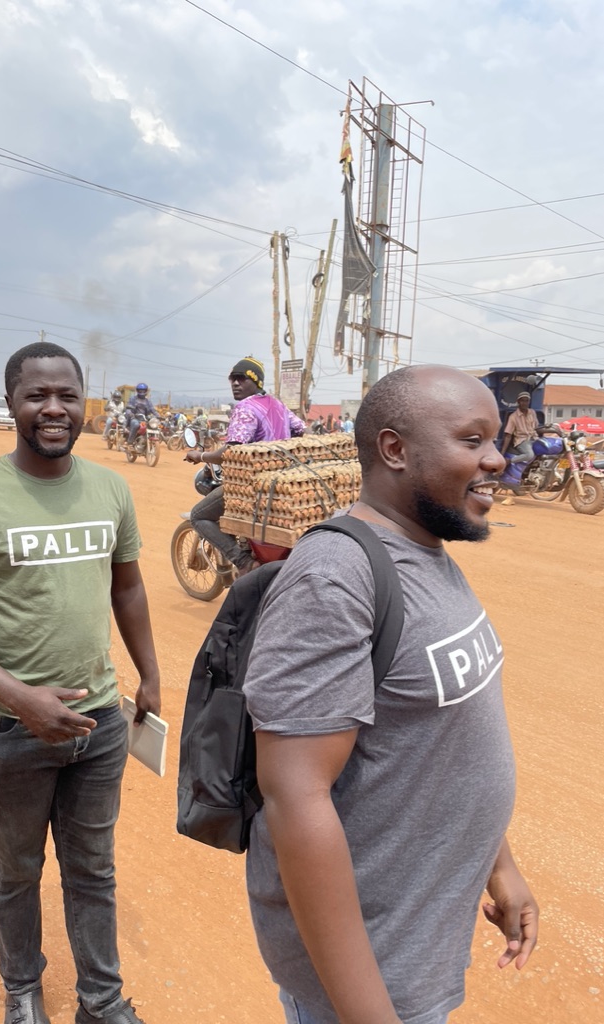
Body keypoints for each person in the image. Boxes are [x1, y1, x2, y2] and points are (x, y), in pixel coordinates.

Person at [242, 365, 538, 1024]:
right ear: (395, 449)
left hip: (417, 940)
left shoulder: (427, 552)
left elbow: (449, 744)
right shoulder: (335, 578)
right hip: (368, 974)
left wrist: (501, 867)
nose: (497, 458)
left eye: (494, 439)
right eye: (471, 440)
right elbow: (296, 798)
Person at [0, 341, 159, 1024]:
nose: (54, 408)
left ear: (84, 404)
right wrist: (21, 699)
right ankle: (22, 991)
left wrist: (150, 674)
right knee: (17, 866)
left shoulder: (110, 489)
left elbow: (128, 588)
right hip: (8, 728)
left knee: (93, 867)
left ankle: (101, 1002)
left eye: (67, 395)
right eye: (37, 395)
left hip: (99, 723)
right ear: (12, 403)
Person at [185, 356, 305, 575]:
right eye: (233, 379)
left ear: (257, 381)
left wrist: (200, 455)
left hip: (252, 485)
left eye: (242, 379)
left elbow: (231, 452)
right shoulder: (277, 404)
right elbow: (300, 429)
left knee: (198, 516)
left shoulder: (246, 408)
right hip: (284, 482)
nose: (236, 383)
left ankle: (244, 563)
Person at [500, 391, 539, 463]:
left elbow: (536, 428)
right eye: (522, 401)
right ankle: (509, 461)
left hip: (534, 438)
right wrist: (502, 453)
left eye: (527, 401)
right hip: (522, 441)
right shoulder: (513, 417)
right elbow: (508, 435)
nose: (525, 403)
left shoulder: (532, 412)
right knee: (529, 455)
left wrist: (552, 429)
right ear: (518, 402)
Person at [124, 383, 158, 447]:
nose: (142, 392)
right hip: (135, 418)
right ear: (137, 390)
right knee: (136, 425)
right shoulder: (133, 399)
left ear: (146, 391)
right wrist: (130, 413)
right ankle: (130, 442)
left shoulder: (148, 401)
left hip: (145, 419)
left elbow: (152, 409)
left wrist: (158, 416)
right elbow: (128, 408)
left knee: (153, 426)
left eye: (143, 390)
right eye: (140, 390)